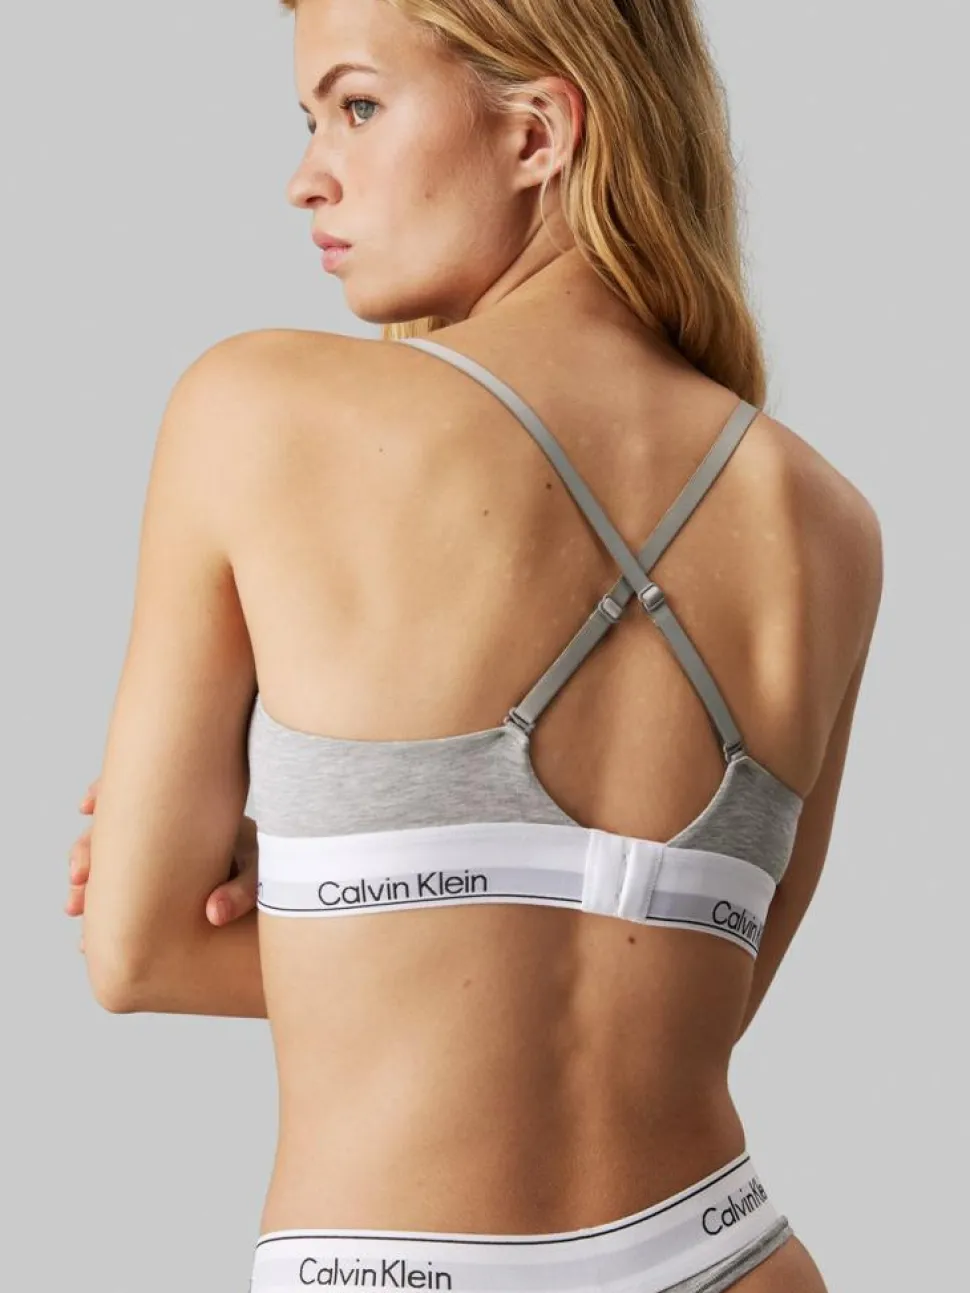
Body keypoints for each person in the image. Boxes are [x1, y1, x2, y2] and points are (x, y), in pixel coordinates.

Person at [65, 0, 883, 1289]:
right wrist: (407, 906)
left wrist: (330, 903)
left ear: (537, 134)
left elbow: (137, 949)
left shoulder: (257, 410)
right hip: (729, 1253)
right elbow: (692, 999)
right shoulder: (827, 522)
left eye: (358, 106)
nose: (307, 177)